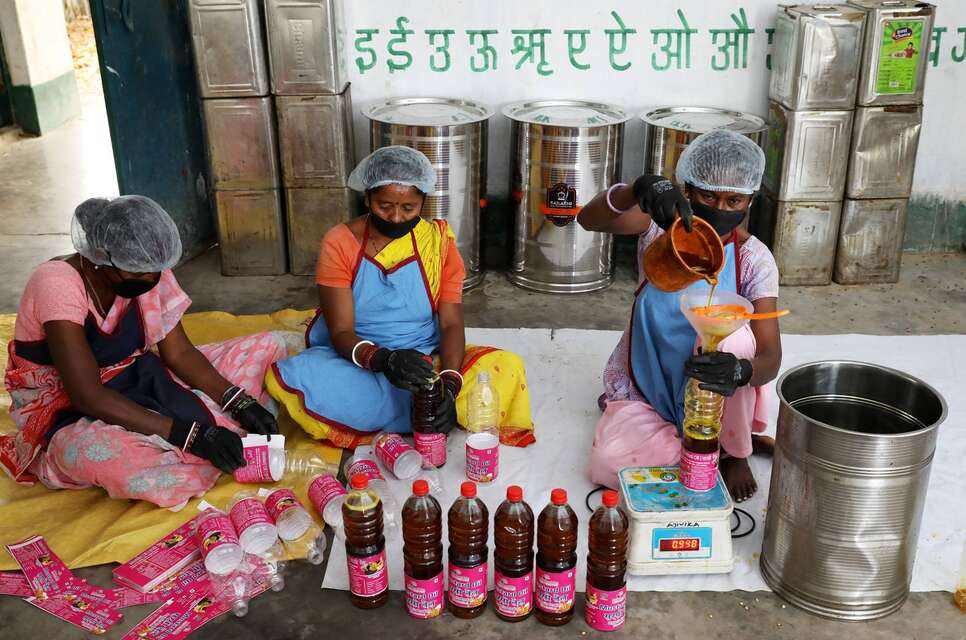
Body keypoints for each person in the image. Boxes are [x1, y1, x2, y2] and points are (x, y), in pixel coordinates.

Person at [1, 196, 287, 508]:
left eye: (155, 272)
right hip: (68, 405)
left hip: (137, 373)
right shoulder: (57, 284)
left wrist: (238, 401)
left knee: (275, 347)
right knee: (115, 461)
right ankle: (59, 457)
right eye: (138, 274)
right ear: (101, 258)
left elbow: (179, 353)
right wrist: (190, 435)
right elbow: (86, 396)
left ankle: (212, 437)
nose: (151, 281)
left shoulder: (148, 269)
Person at [266, 146, 534, 448]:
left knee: (506, 366)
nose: (395, 217)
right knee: (304, 376)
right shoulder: (339, 243)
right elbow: (340, 332)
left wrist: (448, 384)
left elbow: (450, 324)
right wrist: (385, 359)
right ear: (367, 198)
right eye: (384, 206)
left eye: (408, 208)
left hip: (425, 358)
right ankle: (418, 412)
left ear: (423, 202)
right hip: (361, 358)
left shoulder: (438, 244)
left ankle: (422, 408)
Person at [577, 129, 781, 502]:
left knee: (735, 337)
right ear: (687, 190)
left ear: (750, 200)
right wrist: (637, 189)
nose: (720, 209)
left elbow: (770, 356)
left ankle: (735, 450)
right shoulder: (658, 229)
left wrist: (740, 372)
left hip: (717, 392)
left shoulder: (754, 258)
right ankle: (698, 447)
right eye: (708, 196)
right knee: (608, 464)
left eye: (734, 200)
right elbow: (589, 220)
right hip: (651, 384)